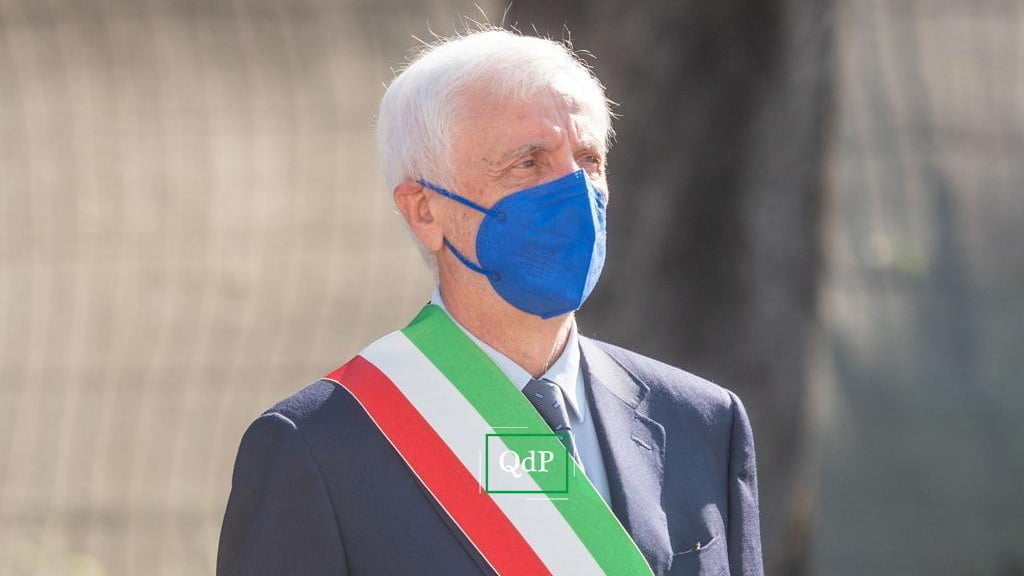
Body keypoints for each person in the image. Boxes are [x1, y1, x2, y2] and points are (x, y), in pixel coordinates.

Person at [217, 27, 763, 576]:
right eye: (529, 163)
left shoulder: (702, 423)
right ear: (424, 210)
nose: (574, 191)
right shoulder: (318, 447)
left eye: (588, 160)